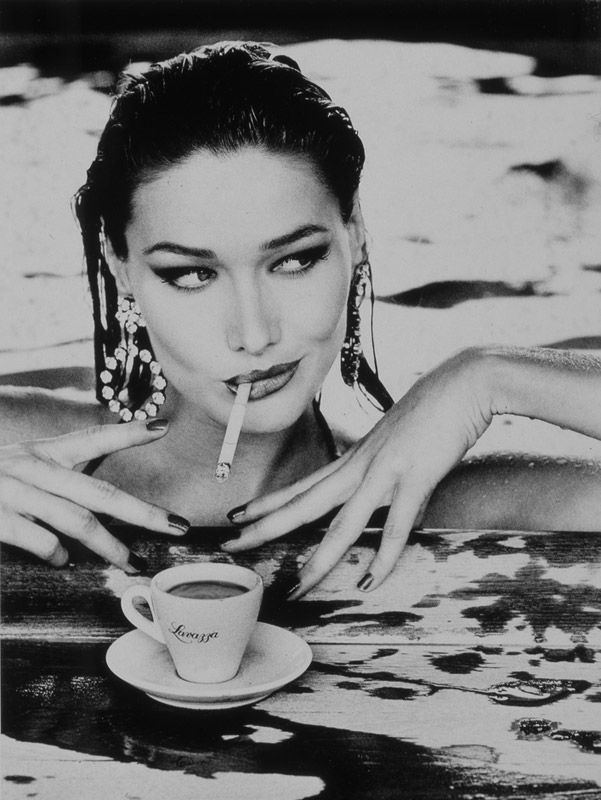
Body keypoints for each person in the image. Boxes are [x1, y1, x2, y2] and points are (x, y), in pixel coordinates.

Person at [2, 41, 601, 596]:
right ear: (121, 267)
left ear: (354, 232)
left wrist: (490, 376)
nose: (255, 334)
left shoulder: (437, 506)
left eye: (294, 260)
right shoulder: (17, 448)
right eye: (190, 274)